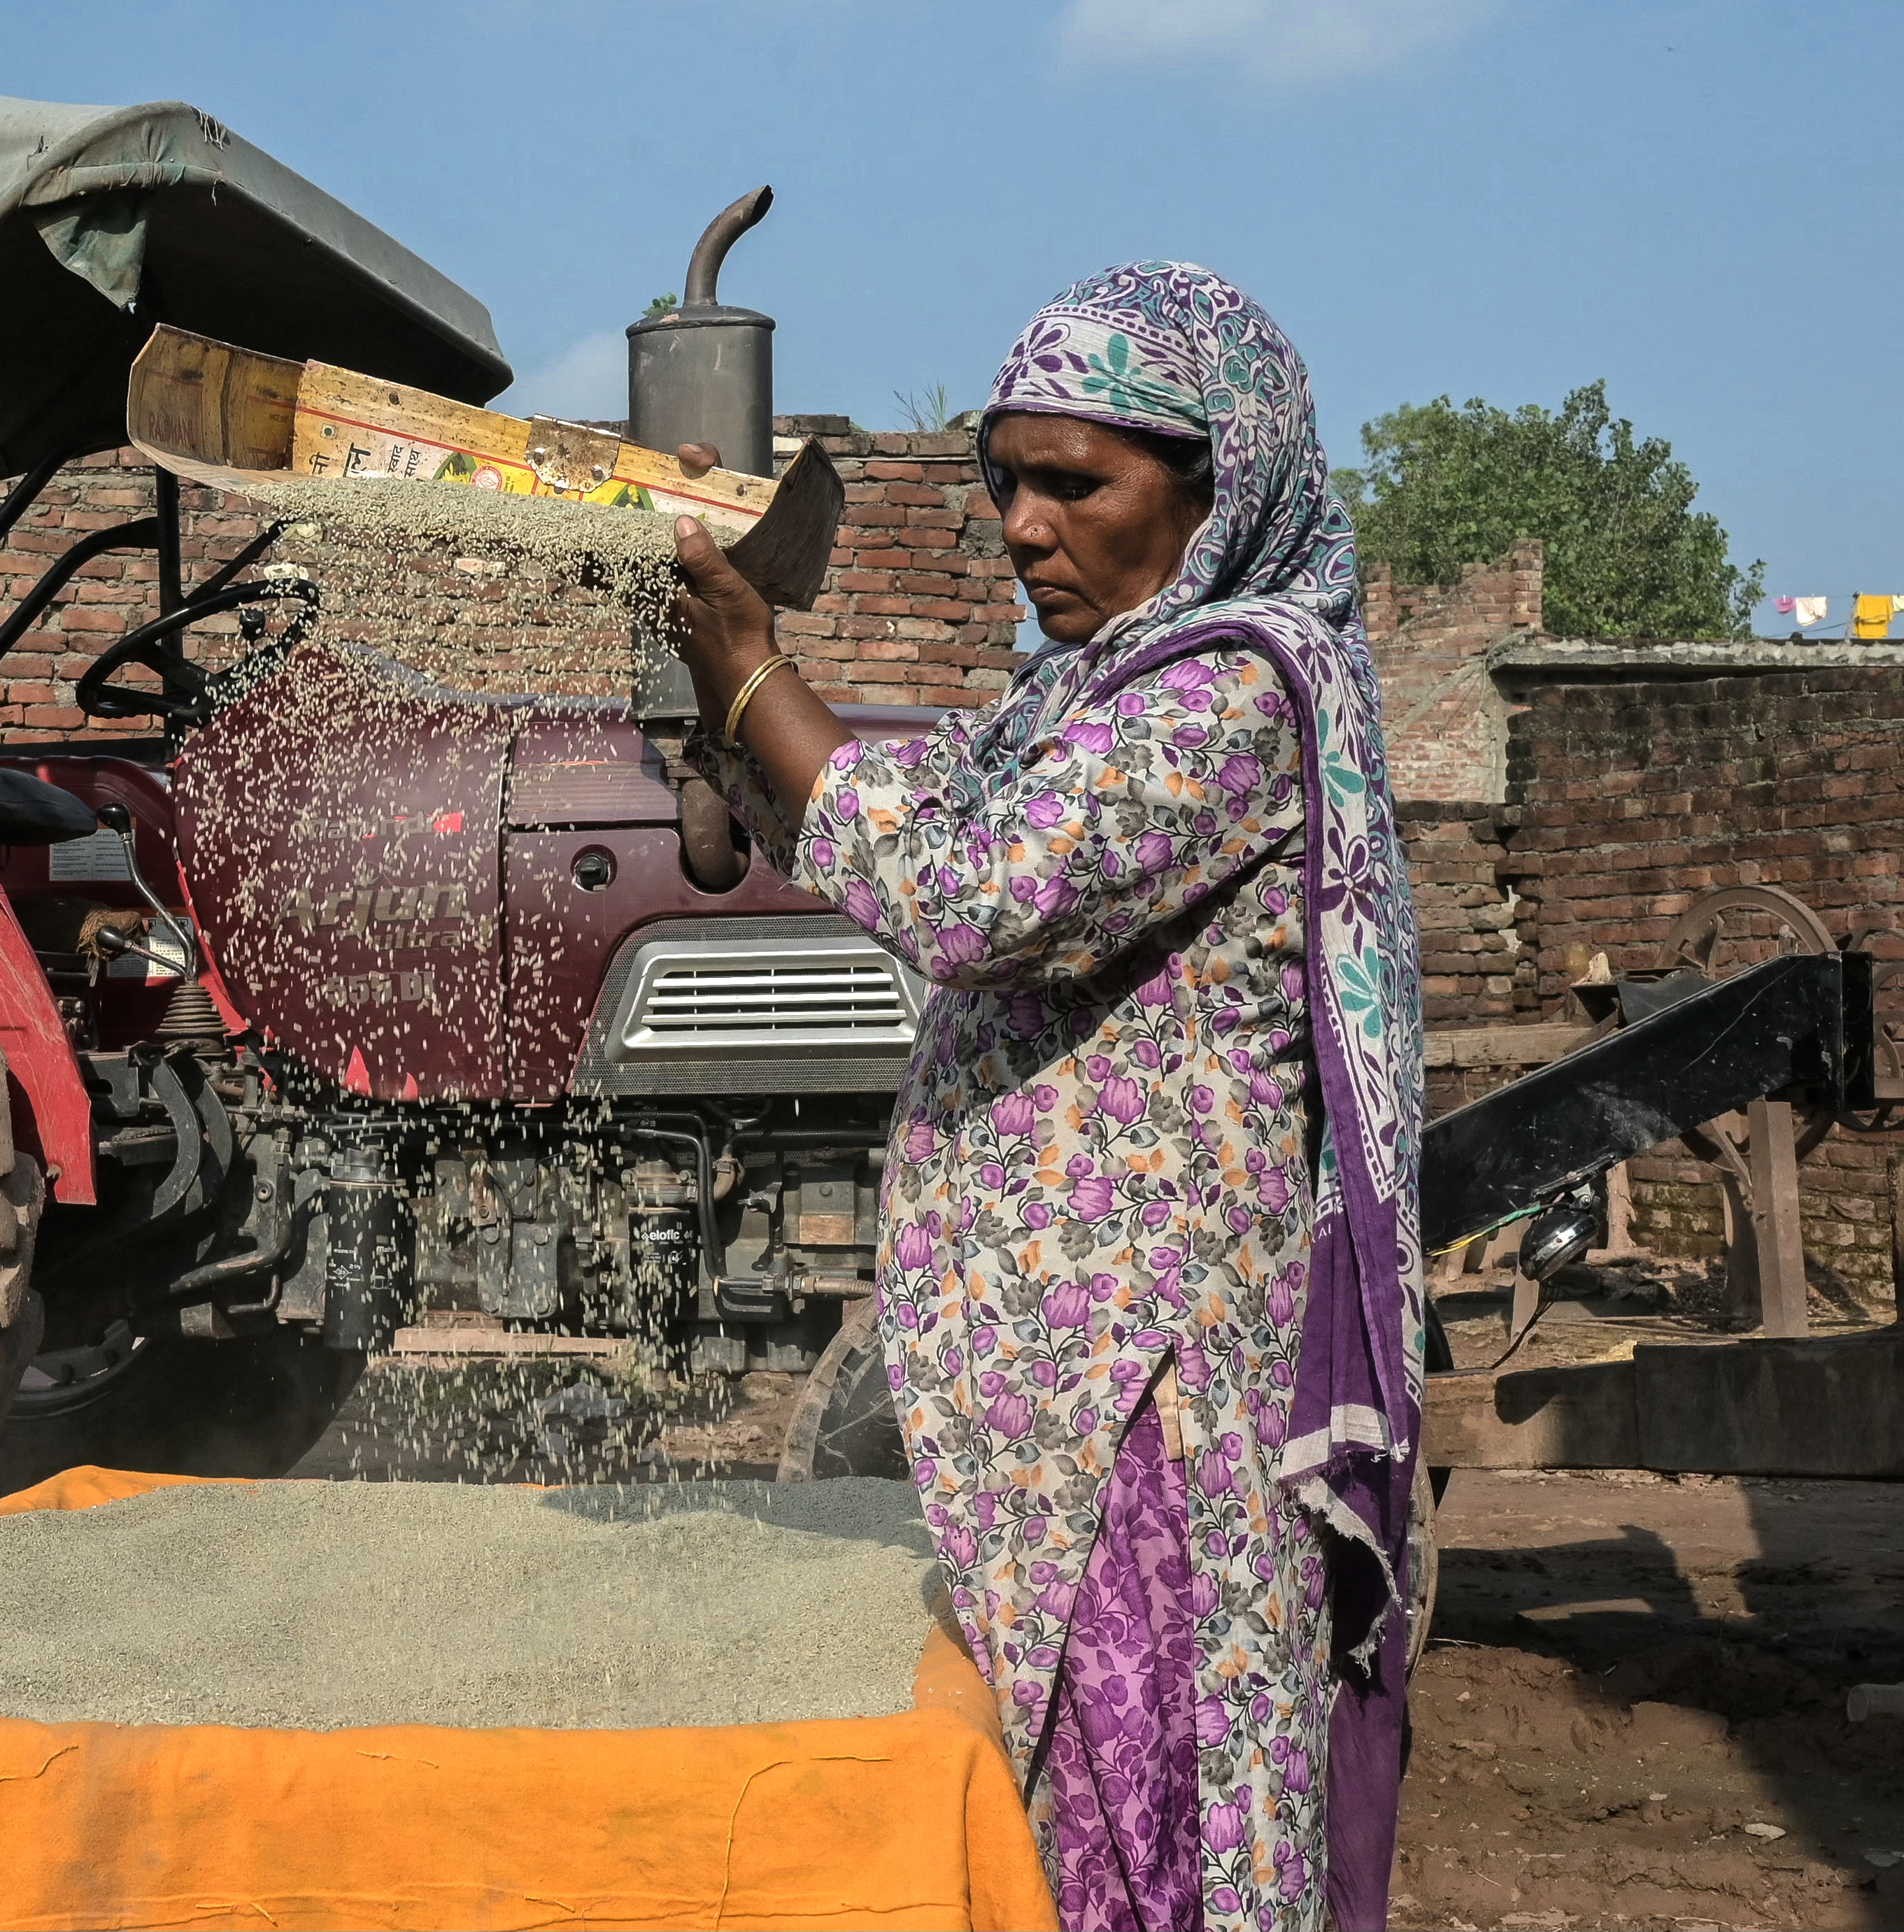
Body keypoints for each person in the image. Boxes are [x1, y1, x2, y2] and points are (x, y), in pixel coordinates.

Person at [671, 261, 1423, 1932]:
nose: (1020, 525)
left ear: (1218, 486)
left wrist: (748, 679)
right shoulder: (1085, 689)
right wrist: (743, 728)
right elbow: (911, 798)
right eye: (1004, 478)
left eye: (1072, 482)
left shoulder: (1236, 692)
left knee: (1136, 1796)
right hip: (1053, 1397)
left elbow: (968, 884)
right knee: (1065, 1796)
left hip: (1139, 1405)